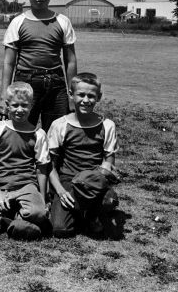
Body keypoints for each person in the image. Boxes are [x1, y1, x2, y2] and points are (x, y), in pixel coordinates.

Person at [0, 0, 77, 131]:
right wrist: (4, 95)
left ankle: (51, 157)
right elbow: (8, 62)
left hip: (56, 83)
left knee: (57, 131)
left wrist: (72, 93)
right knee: (22, 129)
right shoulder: (18, 22)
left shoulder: (62, 21)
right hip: (26, 81)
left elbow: (70, 61)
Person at [0, 82, 50, 240]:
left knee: (39, 213)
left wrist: (42, 198)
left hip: (26, 186)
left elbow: (41, 169)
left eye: (24, 105)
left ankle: (16, 214)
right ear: (7, 105)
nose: (20, 110)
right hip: (3, 186)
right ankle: (13, 216)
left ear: (31, 106)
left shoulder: (39, 134)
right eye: (15, 105)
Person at [48, 72, 120, 238]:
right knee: (60, 229)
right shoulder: (60, 125)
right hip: (69, 180)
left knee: (109, 201)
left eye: (91, 96)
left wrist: (100, 177)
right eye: (81, 95)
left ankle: (89, 212)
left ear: (99, 97)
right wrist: (59, 191)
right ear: (71, 94)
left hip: (94, 180)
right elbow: (49, 164)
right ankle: (82, 211)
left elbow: (108, 163)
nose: (85, 100)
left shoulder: (107, 125)